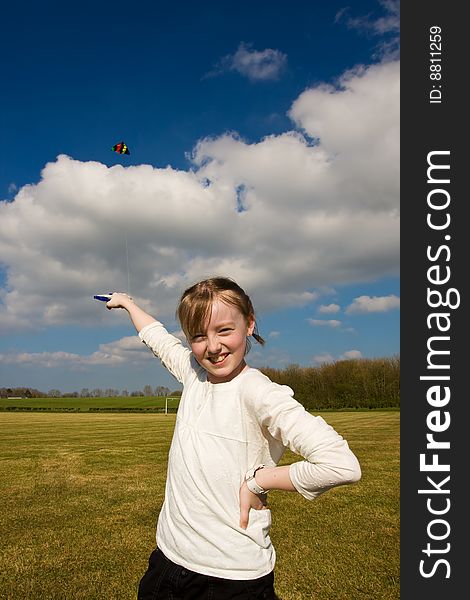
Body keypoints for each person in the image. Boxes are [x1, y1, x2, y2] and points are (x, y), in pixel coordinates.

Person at [105, 277, 361, 600]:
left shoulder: (260, 392)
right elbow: (156, 336)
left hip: (233, 579)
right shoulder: (193, 373)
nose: (212, 347)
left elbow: (341, 464)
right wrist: (127, 303)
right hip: (168, 562)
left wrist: (259, 481)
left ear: (249, 324)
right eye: (198, 336)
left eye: (224, 330)